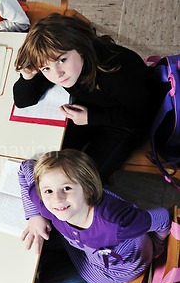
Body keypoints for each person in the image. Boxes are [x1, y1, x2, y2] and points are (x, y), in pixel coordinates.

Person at [13, 13, 160, 183]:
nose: (57, 74)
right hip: (89, 109)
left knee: (84, 181)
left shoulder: (118, 68)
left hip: (126, 122)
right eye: (45, 69)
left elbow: (140, 117)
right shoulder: (56, 62)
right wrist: (28, 76)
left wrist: (91, 117)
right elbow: (23, 101)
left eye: (62, 60)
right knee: (50, 156)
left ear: (80, 47)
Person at [18, 149, 171, 283]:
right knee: (33, 243)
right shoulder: (47, 204)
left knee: (48, 281)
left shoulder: (117, 225)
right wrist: (34, 215)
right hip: (84, 245)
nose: (57, 199)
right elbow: (25, 167)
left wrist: (157, 246)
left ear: (88, 189)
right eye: (48, 191)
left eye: (66, 188)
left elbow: (163, 217)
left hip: (114, 269)